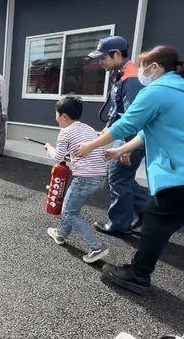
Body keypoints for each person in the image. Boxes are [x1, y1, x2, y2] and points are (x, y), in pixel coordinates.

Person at [75, 45, 184, 307]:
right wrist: (120, 149)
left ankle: (137, 275)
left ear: (155, 67)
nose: (141, 72)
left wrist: (90, 145)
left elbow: (126, 124)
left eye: (144, 66)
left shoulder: (157, 91)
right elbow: (149, 129)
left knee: (157, 219)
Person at [86, 36, 149, 236]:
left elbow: (134, 118)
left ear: (117, 54)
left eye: (103, 58)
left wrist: (127, 148)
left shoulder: (131, 79)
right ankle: (149, 212)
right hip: (123, 135)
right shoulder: (121, 74)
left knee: (118, 178)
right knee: (124, 178)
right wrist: (106, 132)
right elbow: (117, 112)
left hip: (131, 138)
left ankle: (119, 224)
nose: (100, 62)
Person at [44, 97, 109, 264]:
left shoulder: (65, 132)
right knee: (73, 208)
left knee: (68, 212)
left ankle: (96, 247)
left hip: (85, 179)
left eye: (56, 114)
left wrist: (49, 149)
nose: (55, 117)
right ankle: (61, 234)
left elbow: (58, 158)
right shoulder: (88, 129)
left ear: (64, 116)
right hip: (100, 177)